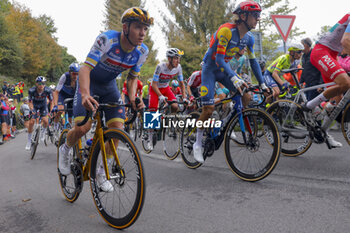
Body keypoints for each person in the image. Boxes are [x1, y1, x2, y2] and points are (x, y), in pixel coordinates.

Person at [58, 7, 152, 192]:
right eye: (138, 27)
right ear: (125, 27)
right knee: (83, 127)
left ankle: (101, 172)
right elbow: (85, 69)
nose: (142, 33)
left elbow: (132, 78)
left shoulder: (142, 51)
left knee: (117, 128)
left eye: (145, 29)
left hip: (109, 87)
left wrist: (133, 98)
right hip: (90, 83)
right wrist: (85, 94)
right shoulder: (107, 39)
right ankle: (65, 149)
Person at [193, 1, 268, 163]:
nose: (258, 19)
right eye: (255, 16)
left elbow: (254, 62)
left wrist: (262, 83)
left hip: (224, 70)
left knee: (246, 96)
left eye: (258, 16)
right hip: (210, 70)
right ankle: (197, 143)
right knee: (208, 108)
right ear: (243, 16)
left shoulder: (248, 39)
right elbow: (219, 59)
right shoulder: (226, 31)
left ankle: (227, 122)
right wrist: (234, 77)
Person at [26, 76, 53, 150]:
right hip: (34, 105)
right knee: (31, 122)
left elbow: (51, 101)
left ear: (45, 84)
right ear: (36, 84)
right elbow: (30, 102)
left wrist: (51, 111)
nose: (41, 85)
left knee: (46, 120)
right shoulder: (32, 90)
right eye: (39, 83)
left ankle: (43, 133)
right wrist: (32, 109)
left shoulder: (48, 90)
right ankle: (28, 141)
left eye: (43, 83)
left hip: (43, 105)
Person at [52, 63, 79, 128]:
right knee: (60, 111)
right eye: (73, 73)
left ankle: (67, 131)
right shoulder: (64, 76)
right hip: (63, 95)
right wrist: (55, 105)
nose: (75, 76)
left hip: (73, 96)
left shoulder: (80, 78)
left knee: (70, 119)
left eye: (77, 74)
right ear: (70, 72)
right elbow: (56, 92)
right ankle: (55, 126)